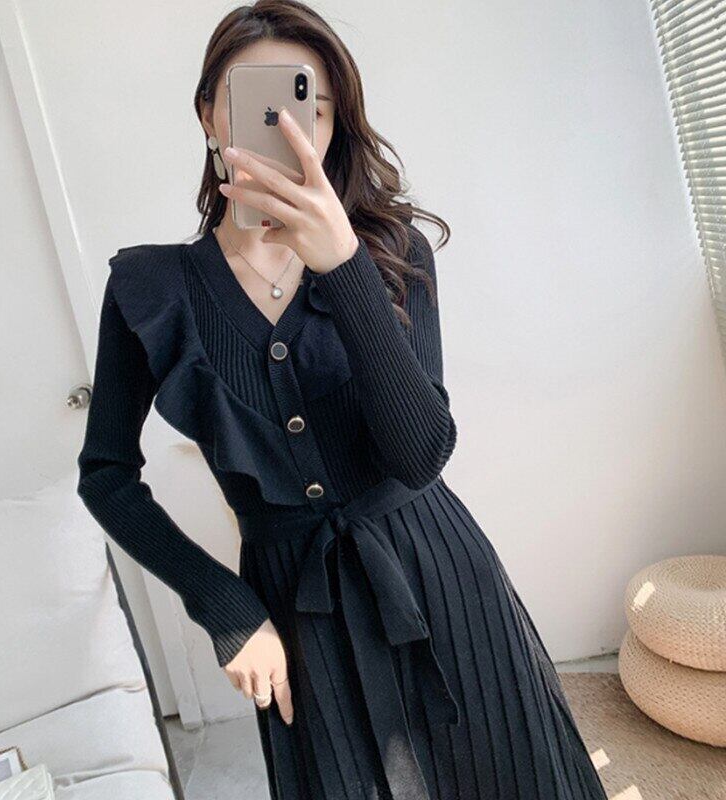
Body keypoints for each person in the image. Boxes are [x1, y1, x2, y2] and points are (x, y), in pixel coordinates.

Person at [76, 2, 608, 798]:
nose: (288, 128)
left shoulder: (392, 252)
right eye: (256, 104)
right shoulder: (150, 290)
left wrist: (344, 266)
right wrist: (225, 607)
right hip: (296, 615)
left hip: (437, 573)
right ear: (208, 115)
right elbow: (106, 476)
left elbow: (421, 455)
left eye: (311, 108)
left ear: (334, 125)